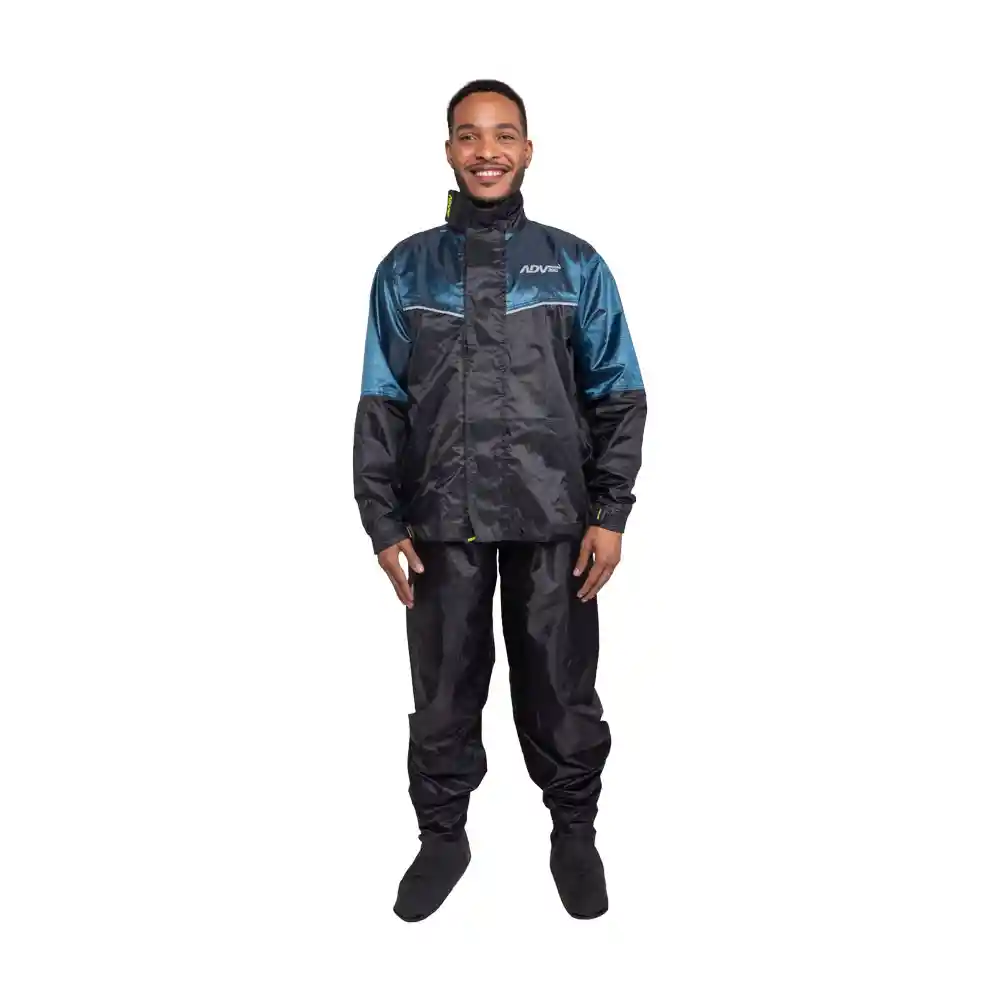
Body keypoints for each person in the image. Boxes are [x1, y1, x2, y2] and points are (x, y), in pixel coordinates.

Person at [353, 79, 646, 921]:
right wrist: (382, 521)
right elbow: (382, 401)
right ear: (449, 150)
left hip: (554, 518)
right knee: (444, 688)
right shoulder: (406, 269)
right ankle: (443, 835)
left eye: (503, 134)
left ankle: (574, 832)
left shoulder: (574, 264)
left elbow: (617, 393)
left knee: (560, 687)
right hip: (440, 520)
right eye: (469, 135)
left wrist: (610, 513)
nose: (487, 151)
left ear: (528, 149)